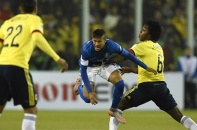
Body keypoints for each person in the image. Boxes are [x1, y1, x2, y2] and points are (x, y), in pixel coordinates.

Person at [108, 20, 197, 130]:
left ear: (149, 35)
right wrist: (131, 69)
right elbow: (151, 70)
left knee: (117, 107)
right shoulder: (159, 47)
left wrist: (106, 61)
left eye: (144, 30)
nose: (140, 31)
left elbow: (124, 56)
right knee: (180, 116)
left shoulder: (141, 45)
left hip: (146, 87)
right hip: (161, 88)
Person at [0, 0, 68, 130]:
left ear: (20, 8)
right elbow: (37, 38)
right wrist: (57, 58)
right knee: (31, 110)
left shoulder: (7, 23)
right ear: (35, 8)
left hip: (1, 66)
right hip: (17, 66)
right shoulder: (34, 19)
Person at [73, 28, 157, 124]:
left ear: (105, 40)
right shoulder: (86, 49)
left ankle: (113, 109)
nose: (96, 44)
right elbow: (83, 71)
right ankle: (79, 85)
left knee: (120, 83)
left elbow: (129, 56)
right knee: (88, 98)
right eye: (94, 41)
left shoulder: (112, 46)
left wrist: (145, 67)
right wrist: (90, 92)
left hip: (104, 63)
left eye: (99, 41)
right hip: (89, 67)